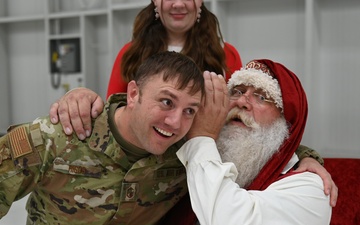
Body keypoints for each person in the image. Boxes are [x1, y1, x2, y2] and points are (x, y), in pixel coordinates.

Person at [0, 51, 210, 224]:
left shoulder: (184, 158)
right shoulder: (55, 137)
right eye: (166, 102)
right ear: (134, 94)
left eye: (189, 111)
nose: (175, 122)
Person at [172, 59, 333, 224]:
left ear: (287, 124)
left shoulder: (310, 189)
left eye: (262, 97)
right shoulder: (197, 155)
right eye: (237, 91)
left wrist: (201, 138)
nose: (241, 102)